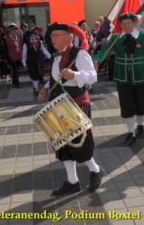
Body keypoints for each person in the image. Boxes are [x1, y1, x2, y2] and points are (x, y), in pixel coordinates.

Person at [41, 23, 102, 195]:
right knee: (63, 146)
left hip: (76, 105)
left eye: (58, 35)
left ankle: (95, 170)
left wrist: (75, 75)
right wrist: (46, 87)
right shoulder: (55, 56)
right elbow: (56, 77)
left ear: (68, 37)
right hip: (58, 105)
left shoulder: (79, 54)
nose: (53, 39)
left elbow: (93, 76)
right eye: (52, 36)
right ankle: (72, 181)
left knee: (79, 143)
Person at [94, 12, 144, 146]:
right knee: (126, 105)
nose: (127, 26)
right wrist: (97, 60)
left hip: (139, 76)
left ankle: (139, 125)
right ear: (120, 25)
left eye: (129, 23)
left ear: (133, 23)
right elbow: (105, 51)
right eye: (124, 23)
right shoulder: (116, 38)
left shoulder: (143, 37)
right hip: (122, 77)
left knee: (141, 104)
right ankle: (131, 133)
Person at [22, 31, 51, 95]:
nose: (33, 37)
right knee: (34, 77)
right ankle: (36, 90)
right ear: (29, 37)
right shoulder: (26, 44)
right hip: (31, 64)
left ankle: (36, 87)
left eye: (34, 36)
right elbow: (24, 55)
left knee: (39, 76)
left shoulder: (40, 43)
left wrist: (51, 58)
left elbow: (45, 52)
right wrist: (24, 63)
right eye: (32, 36)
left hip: (39, 64)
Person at [4, 23, 24, 88]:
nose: (14, 31)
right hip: (11, 56)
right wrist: (6, 57)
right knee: (14, 69)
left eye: (14, 30)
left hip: (18, 55)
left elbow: (21, 45)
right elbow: (5, 48)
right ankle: (17, 83)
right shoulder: (6, 38)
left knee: (16, 69)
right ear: (9, 31)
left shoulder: (18, 37)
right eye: (12, 30)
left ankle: (14, 81)